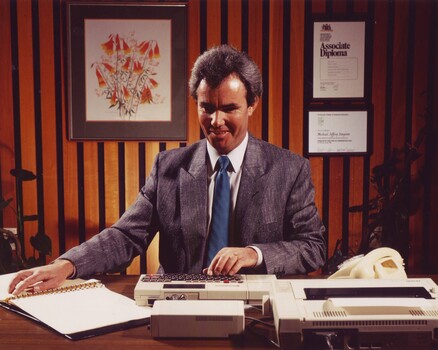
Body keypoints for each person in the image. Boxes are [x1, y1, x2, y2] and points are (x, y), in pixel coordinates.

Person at [8, 45, 326, 295]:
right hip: (177, 305)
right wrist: (67, 264)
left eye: (229, 108)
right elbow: (126, 236)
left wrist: (253, 254)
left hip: (256, 310)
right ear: (196, 104)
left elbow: (313, 247)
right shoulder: (168, 168)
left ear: (252, 104)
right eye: (207, 108)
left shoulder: (289, 170)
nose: (216, 121)